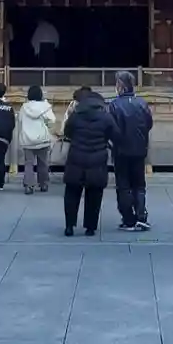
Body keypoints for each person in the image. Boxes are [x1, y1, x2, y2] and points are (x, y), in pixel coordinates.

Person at [62, 87, 120, 237]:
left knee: (72, 193)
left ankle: (69, 226)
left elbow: (67, 132)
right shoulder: (106, 117)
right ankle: (90, 227)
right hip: (97, 159)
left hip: (76, 158)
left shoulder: (76, 116)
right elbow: (115, 134)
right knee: (94, 194)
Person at [108, 70, 154, 231]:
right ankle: (141, 215)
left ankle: (128, 218)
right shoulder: (142, 103)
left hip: (121, 150)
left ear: (120, 85)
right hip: (139, 149)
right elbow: (149, 123)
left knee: (123, 185)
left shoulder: (114, 105)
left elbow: (111, 128)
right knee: (139, 184)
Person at [18, 85, 56, 194]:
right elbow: (52, 121)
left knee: (28, 163)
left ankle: (29, 186)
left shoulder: (24, 107)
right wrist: (46, 124)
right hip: (42, 139)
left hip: (27, 140)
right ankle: (43, 184)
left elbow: (20, 120)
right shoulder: (45, 107)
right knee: (43, 163)